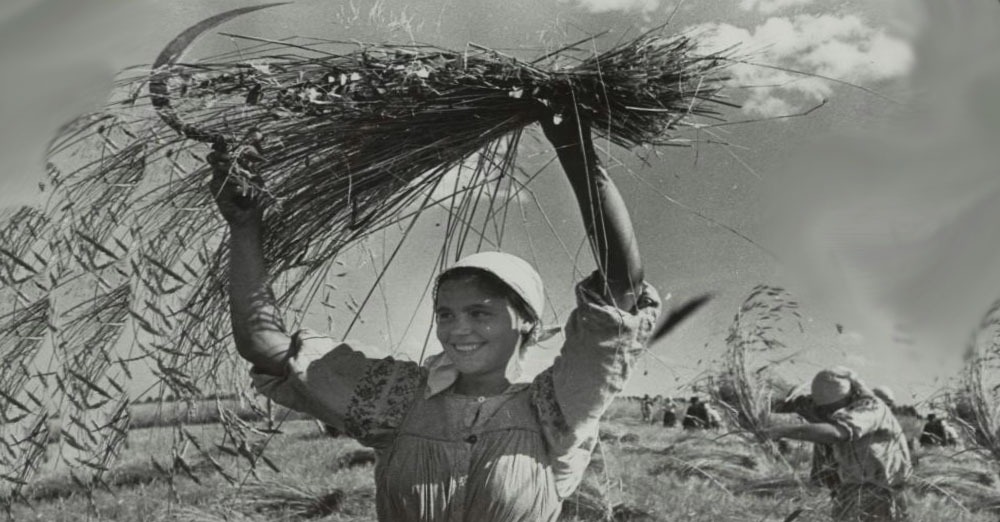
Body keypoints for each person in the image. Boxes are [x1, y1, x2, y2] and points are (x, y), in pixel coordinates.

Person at [208, 110, 661, 522]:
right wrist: (245, 226)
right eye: (445, 314)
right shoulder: (399, 400)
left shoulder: (554, 409)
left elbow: (621, 288)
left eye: (480, 313)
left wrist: (574, 148)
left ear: (527, 321)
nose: (458, 329)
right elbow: (263, 345)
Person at [765, 368, 911, 521]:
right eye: (824, 409)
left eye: (831, 408)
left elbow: (837, 432)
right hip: (851, 490)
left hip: (881, 492)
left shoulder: (871, 407)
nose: (828, 413)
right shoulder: (835, 406)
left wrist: (781, 431)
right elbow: (795, 406)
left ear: (849, 397)